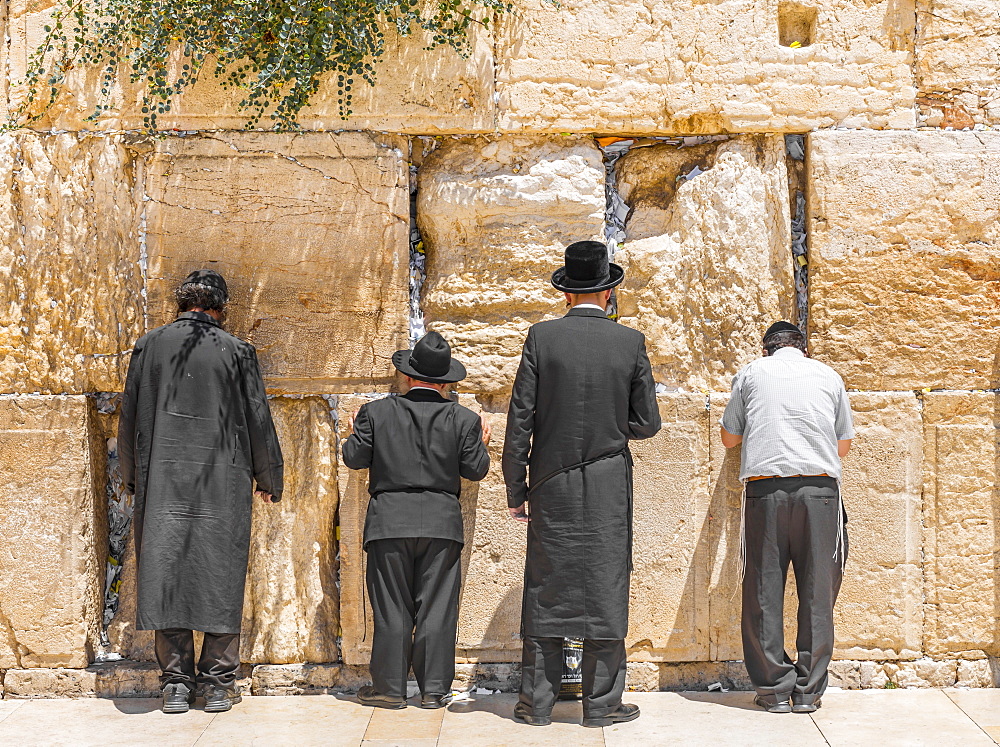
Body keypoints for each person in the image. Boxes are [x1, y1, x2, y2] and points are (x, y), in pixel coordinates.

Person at [502, 240, 661, 728]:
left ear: (566, 293)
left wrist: (516, 489)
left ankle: (537, 705)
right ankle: (602, 704)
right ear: (609, 293)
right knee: (606, 583)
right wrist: (612, 430)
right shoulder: (630, 342)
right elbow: (648, 423)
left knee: (547, 586)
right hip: (610, 482)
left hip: (551, 483)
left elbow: (519, 422)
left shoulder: (541, 339)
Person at [118, 269, 283, 714]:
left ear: (181, 304)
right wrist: (270, 478)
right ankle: (217, 684)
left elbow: (129, 416)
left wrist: (132, 478)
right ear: (220, 309)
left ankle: (174, 684)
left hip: (162, 480)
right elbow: (257, 419)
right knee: (220, 574)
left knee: (166, 570)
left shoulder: (149, 346)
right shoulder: (237, 351)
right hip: (223, 483)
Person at [342, 330, 491, 710]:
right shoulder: (465, 420)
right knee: (437, 608)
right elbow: (475, 471)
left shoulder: (374, 413)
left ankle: (390, 689)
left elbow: (355, 459)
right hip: (441, 525)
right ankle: (434, 690)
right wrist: (481, 441)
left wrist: (353, 433)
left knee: (391, 605)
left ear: (408, 376)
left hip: (388, 522)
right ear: (446, 382)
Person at [720, 320, 854, 714]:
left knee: (763, 589)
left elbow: (730, 437)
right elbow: (843, 445)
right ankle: (808, 691)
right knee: (818, 592)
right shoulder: (828, 376)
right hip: (820, 495)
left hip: (766, 493)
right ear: (803, 348)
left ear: (767, 350)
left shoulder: (750, 373)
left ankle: (774, 690)